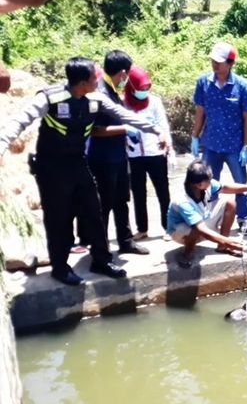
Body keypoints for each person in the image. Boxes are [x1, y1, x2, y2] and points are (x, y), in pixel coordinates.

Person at [0, 57, 166, 285]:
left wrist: (156, 130)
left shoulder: (95, 99)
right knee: (59, 218)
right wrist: (2, 144)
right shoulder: (50, 97)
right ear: (82, 82)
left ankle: (101, 260)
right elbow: (21, 120)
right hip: (51, 167)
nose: (98, 80)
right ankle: (60, 267)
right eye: (93, 77)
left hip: (78, 163)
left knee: (93, 210)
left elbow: (124, 115)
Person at [86, 50, 150, 255]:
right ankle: (100, 249)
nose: (128, 78)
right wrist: (126, 130)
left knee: (122, 200)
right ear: (122, 73)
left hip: (119, 157)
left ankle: (125, 241)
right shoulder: (100, 93)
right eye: (128, 74)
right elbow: (95, 130)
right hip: (102, 159)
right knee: (103, 205)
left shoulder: (112, 91)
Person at [191, 42, 247, 233]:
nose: (215, 64)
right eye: (213, 61)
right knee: (207, 184)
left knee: (240, 183)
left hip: (234, 146)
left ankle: (244, 219)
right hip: (211, 144)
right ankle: (211, 218)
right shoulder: (204, 83)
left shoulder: (241, 86)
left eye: (219, 62)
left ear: (230, 64)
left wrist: (246, 145)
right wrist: (195, 136)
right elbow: (200, 111)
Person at [167, 160, 247, 268]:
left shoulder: (205, 185)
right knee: (195, 228)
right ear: (199, 185)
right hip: (180, 233)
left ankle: (222, 247)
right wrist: (229, 242)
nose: (211, 180)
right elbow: (200, 228)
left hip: (202, 221)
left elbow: (226, 188)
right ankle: (187, 252)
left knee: (230, 202)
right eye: (209, 179)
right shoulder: (182, 201)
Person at [123, 66, 173, 241]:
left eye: (146, 88)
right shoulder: (123, 104)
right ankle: (142, 228)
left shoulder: (155, 102)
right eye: (140, 88)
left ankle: (168, 227)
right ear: (131, 87)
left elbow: (163, 125)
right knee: (138, 192)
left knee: (163, 191)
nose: (144, 91)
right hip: (134, 154)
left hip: (156, 153)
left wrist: (169, 147)